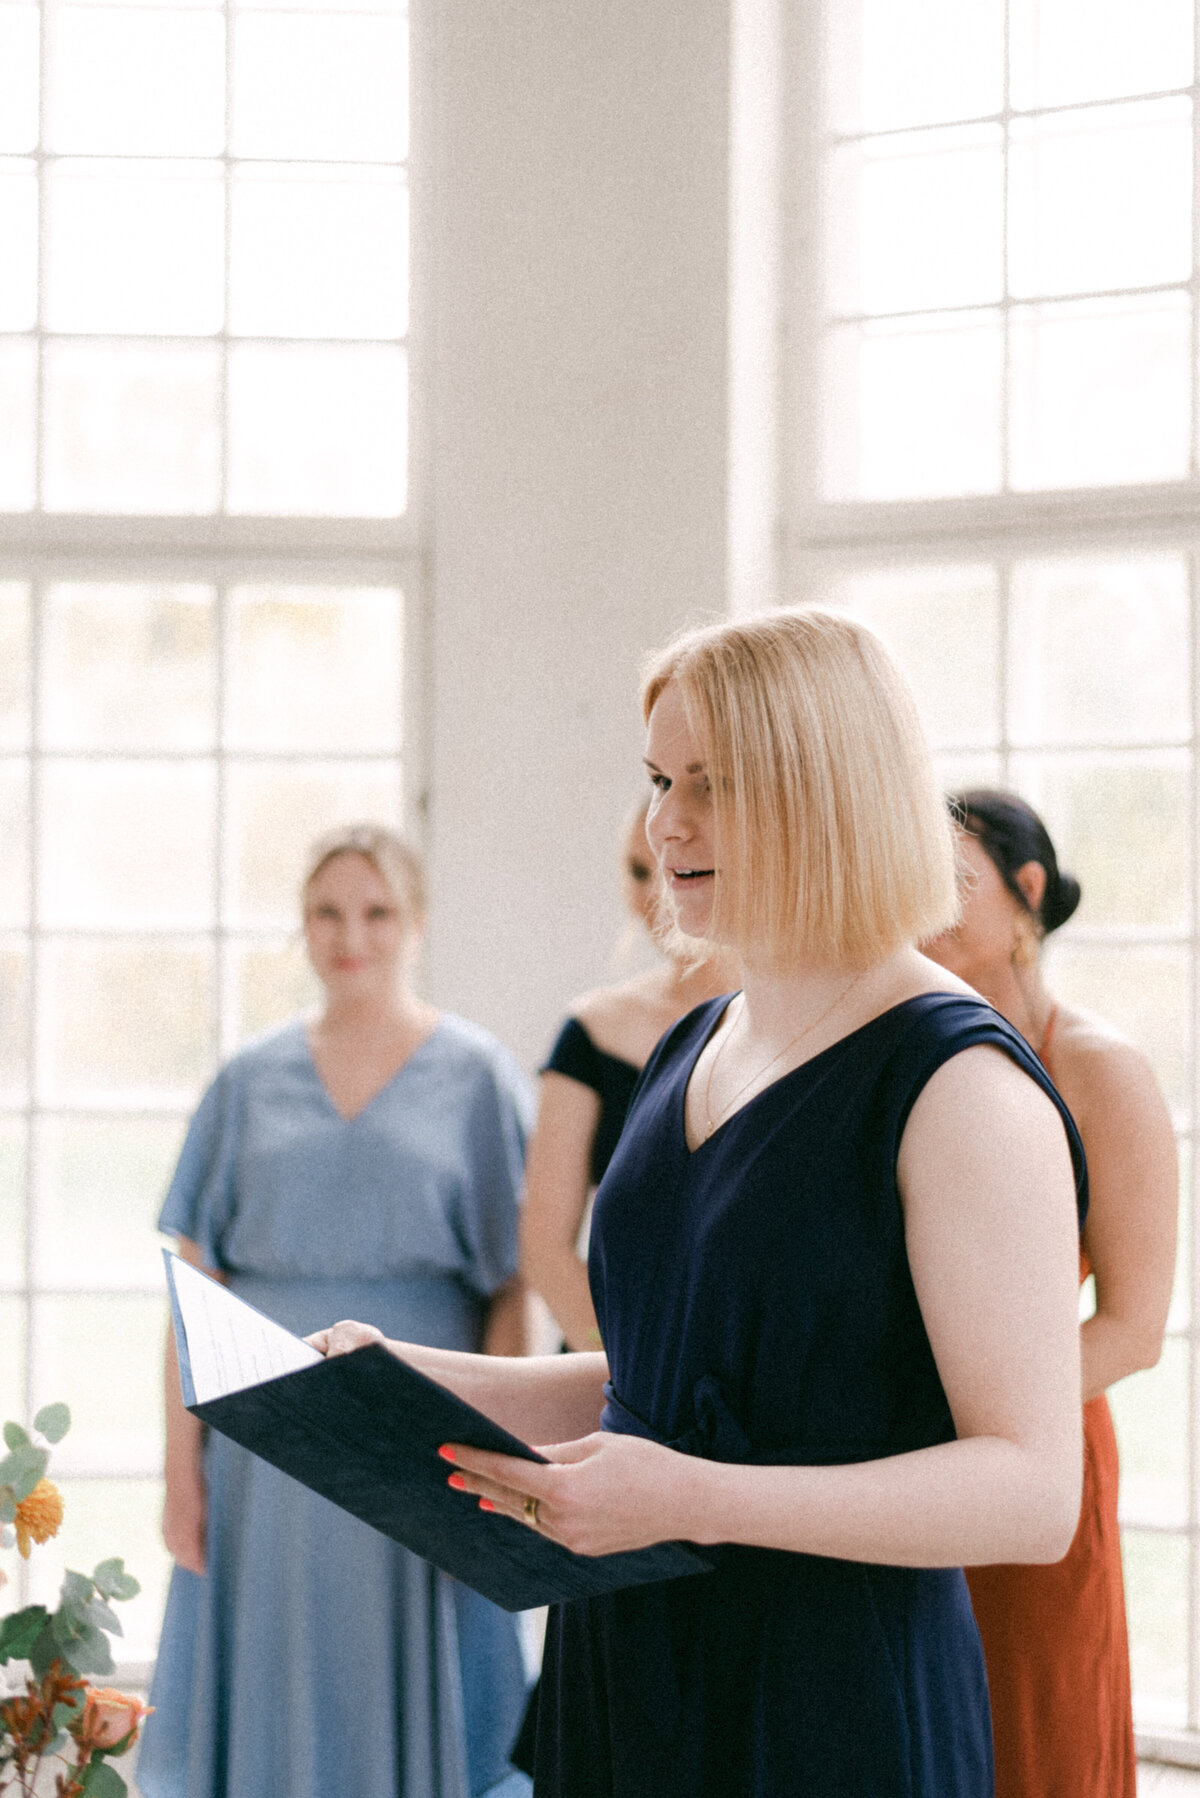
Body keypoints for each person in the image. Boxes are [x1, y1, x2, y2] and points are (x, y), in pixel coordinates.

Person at [312, 610, 1088, 1798]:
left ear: (827, 793)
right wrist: (401, 1372)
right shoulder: (698, 1040)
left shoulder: (959, 1085)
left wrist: (693, 1495)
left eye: (712, 786)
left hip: (828, 1702)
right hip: (632, 1669)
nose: (663, 823)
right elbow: (670, 1380)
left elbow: (1032, 1491)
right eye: (661, 779)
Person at [138, 825, 535, 1798]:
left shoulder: (479, 1075)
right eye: (326, 911)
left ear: (415, 923)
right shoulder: (245, 1080)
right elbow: (196, 1288)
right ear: (302, 928)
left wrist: (502, 1449)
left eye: (375, 911)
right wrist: (181, 1472)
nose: (350, 934)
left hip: (417, 1428)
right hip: (265, 1446)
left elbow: (509, 1290)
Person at [924, 789, 1177, 1798]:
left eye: (953, 881)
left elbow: (1136, 1326)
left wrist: (988, 1420)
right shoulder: (914, 1053)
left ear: (1027, 892)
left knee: (1034, 1730)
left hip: (1037, 1447)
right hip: (898, 1458)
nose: (921, 905)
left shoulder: (1101, 1068)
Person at [521, 799, 734, 1350]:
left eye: (676, 869)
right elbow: (543, 1245)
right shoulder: (592, 1028)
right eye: (639, 872)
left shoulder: (799, 1022)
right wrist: (611, 1357)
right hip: (610, 1360)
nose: (653, 893)